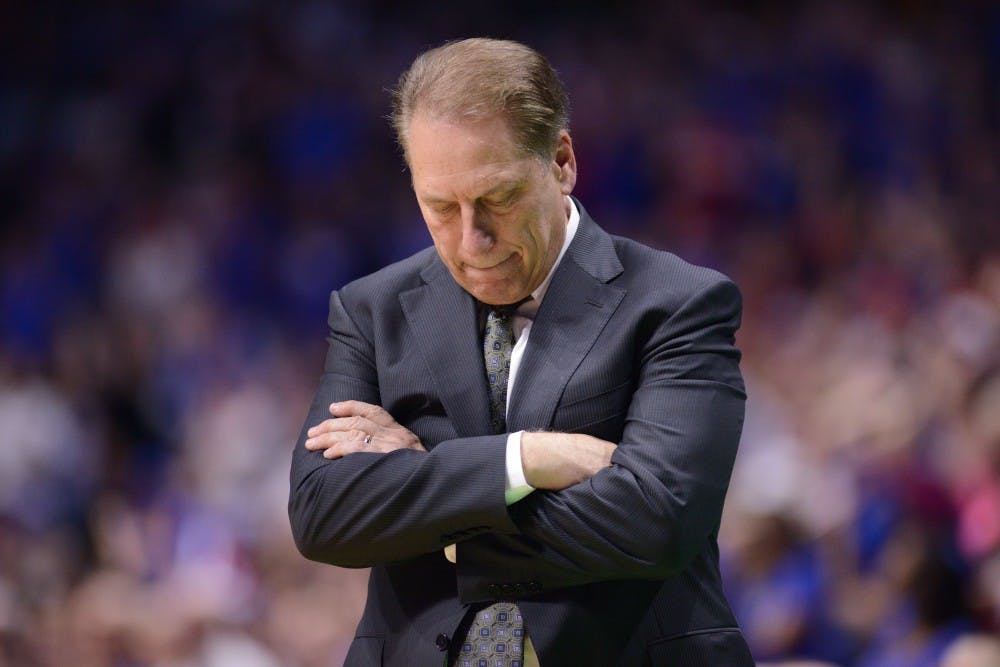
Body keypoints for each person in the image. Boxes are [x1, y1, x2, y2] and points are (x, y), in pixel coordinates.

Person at [288, 37, 753, 666]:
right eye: (439, 207)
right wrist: (524, 459)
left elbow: (656, 521)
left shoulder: (677, 303)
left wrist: (442, 513)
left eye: (497, 199)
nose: (471, 239)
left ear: (561, 162)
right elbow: (324, 513)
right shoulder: (372, 309)